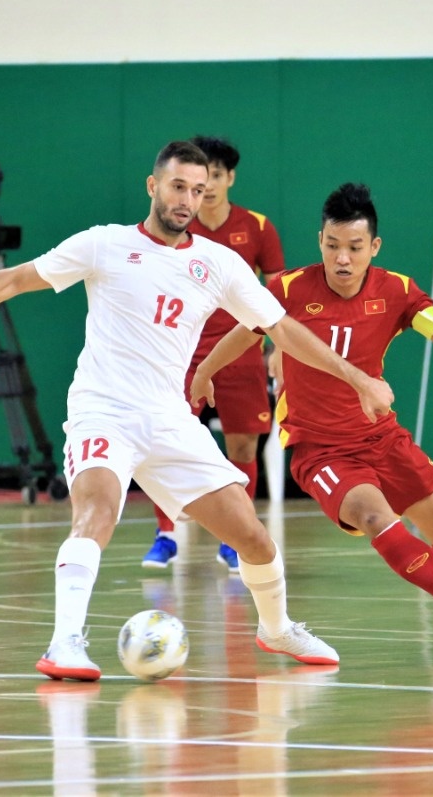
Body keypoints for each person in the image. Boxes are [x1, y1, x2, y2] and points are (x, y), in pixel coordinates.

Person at [0, 143, 395, 681]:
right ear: (153, 186)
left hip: (168, 420)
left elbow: (284, 330)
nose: (188, 199)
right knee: (96, 513)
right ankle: (65, 643)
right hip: (104, 411)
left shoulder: (218, 264)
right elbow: (18, 278)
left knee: (254, 538)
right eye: (178, 187)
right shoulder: (104, 245)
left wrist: (357, 378)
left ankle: (276, 629)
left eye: (198, 190)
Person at [190, 183, 433, 652]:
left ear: (374, 246)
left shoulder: (396, 290)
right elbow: (245, 331)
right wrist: (206, 368)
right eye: (333, 246)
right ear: (320, 243)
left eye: (354, 247)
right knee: (375, 514)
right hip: (319, 447)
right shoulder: (289, 289)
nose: (343, 259)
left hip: (380, 437)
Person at [142, 135, 286, 574]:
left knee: (242, 443)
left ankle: (233, 540)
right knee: (166, 443)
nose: (207, 188)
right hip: (180, 354)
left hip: (241, 354)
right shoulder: (177, 226)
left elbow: (277, 293)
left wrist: (279, 348)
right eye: (193, 183)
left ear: (228, 179)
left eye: (216, 177)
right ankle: (166, 535)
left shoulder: (257, 226)